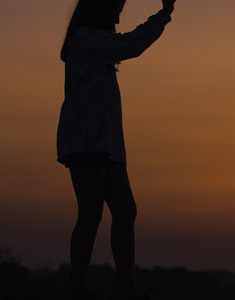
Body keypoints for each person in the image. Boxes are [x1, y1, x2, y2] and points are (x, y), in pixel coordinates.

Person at [56, 0, 177, 299]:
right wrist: (164, 14)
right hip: (86, 141)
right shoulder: (86, 38)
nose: (120, 12)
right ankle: (79, 289)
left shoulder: (93, 41)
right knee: (91, 212)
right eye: (118, 5)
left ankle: (127, 288)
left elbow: (127, 46)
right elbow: (132, 44)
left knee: (124, 210)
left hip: (104, 144)